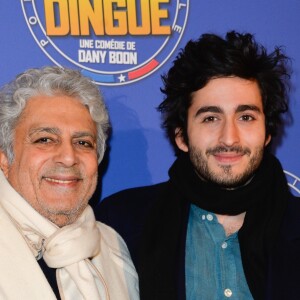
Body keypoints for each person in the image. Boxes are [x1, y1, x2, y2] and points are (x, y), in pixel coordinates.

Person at [96, 31, 300, 300]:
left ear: (267, 133)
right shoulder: (119, 224)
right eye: (211, 118)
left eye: (246, 117)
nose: (229, 138)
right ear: (181, 136)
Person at [0, 66, 139, 300]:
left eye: (83, 143)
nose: (68, 157)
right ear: (5, 158)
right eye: (45, 139)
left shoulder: (113, 247)